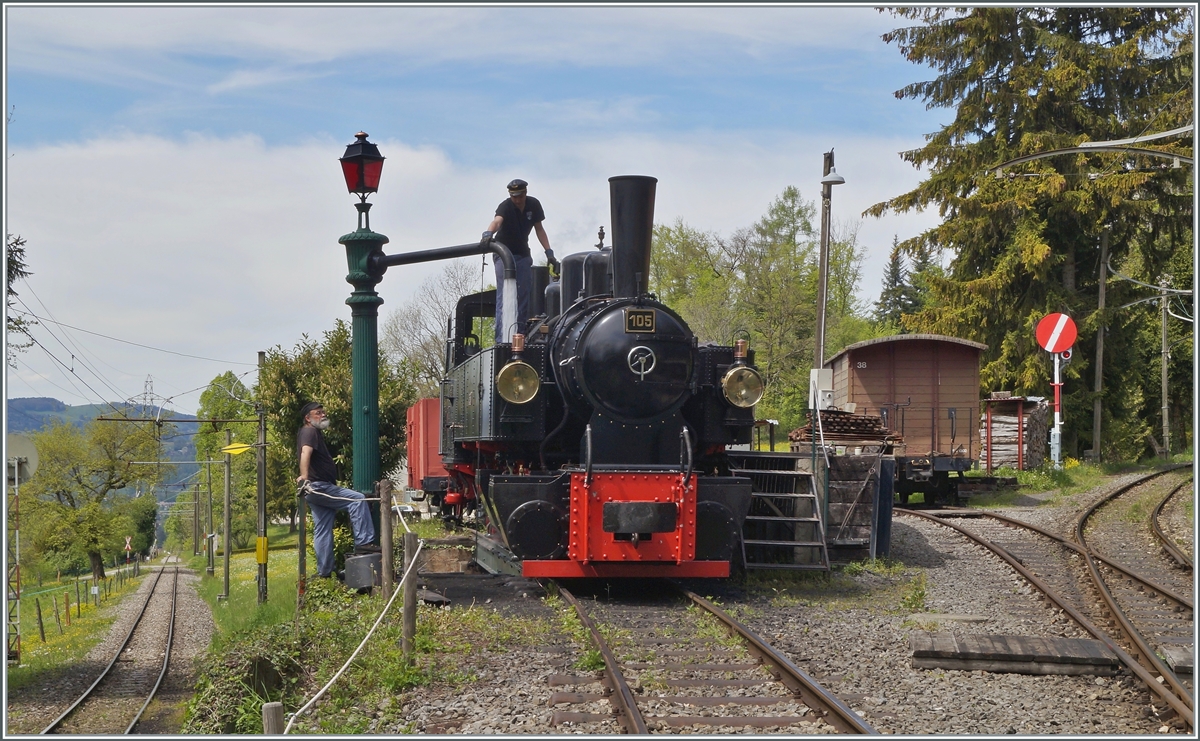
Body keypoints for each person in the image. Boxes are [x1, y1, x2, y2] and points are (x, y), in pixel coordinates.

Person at [295, 402, 379, 579]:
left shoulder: (311, 432)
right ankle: (364, 543)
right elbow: (305, 453)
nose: (323, 415)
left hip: (316, 490)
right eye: (318, 413)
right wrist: (304, 477)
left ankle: (325, 572)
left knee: (323, 529)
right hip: (319, 487)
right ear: (308, 418)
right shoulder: (309, 432)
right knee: (358, 500)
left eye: (323, 412)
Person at [481, 178, 559, 343]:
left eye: (520, 196)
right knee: (505, 294)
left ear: (525, 193)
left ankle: (520, 336)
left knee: (523, 295)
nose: (517, 200)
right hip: (503, 253)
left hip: (522, 254)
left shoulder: (533, 205)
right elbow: (497, 221)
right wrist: (488, 233)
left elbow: (539, 229)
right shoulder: (505, 206)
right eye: (514, 196)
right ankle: (502, 339)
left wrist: (549, 253)